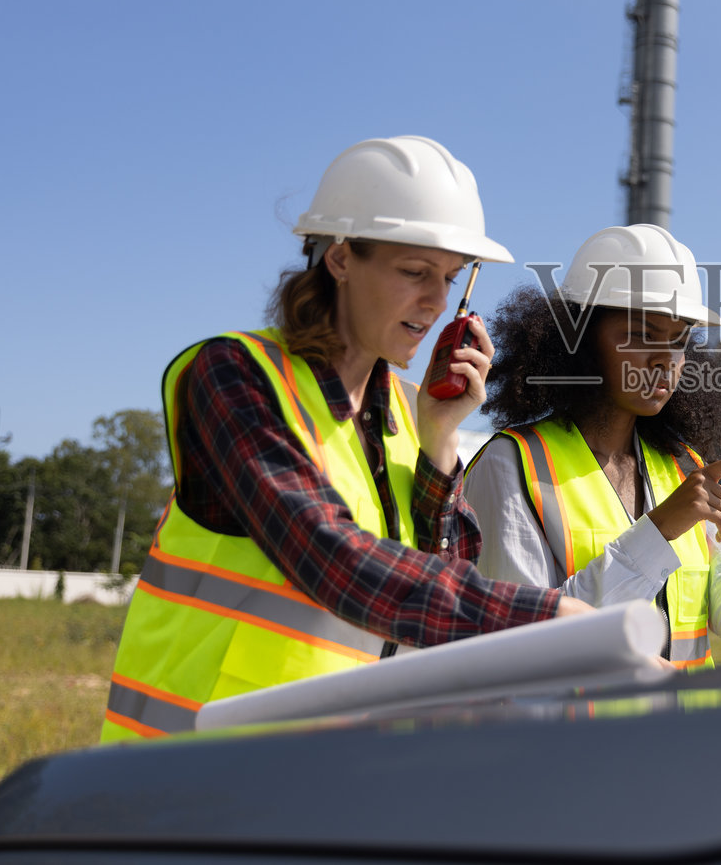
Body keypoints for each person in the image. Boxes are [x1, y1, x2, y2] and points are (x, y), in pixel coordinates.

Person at [102, 136, 589, 742]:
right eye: (414, 272)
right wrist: (544, 618)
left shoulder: (412, 415)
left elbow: (436, 577)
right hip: (187, 773)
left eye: (450, 279)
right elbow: (333, 559)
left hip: (320, 774)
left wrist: (440, 440)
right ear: (338, 259)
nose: (435, 303)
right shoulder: (234, 376)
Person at [466, 224, 721, 667]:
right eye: (642, 334)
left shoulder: (683, 468)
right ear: (579, 342)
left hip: (683, 736)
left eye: (679, 339)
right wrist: (658, 531)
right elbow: (521, 642)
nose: (665, 359)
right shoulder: (512, 465)